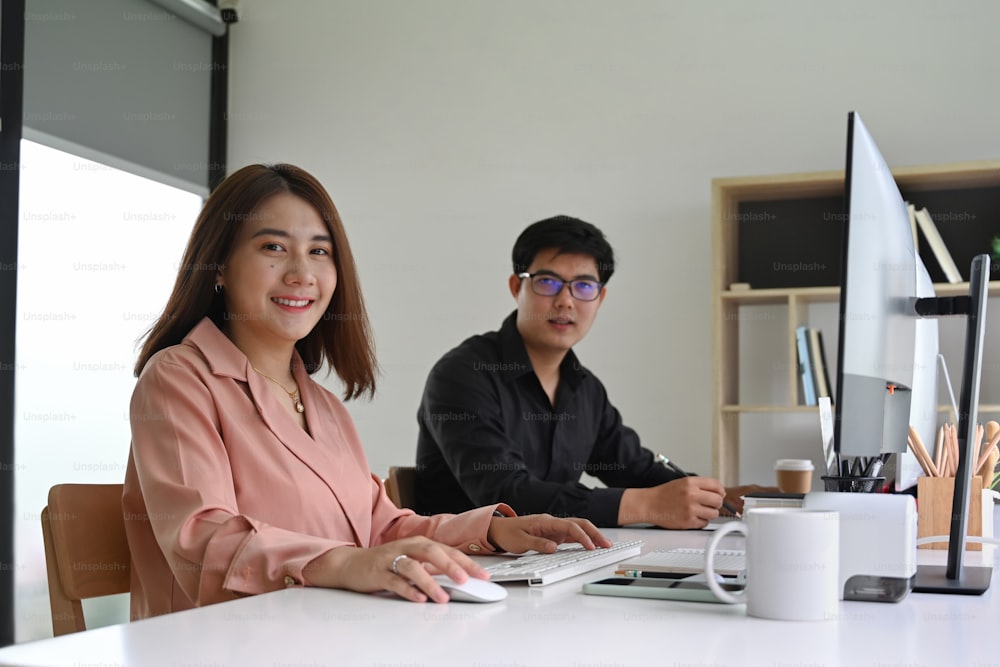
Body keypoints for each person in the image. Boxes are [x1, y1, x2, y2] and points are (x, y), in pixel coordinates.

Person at [123, 165, 610, 620]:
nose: (301, 273)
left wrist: (492, 531)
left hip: (334, 633)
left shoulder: (323, 405)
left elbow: (379, 529)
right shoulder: (179, 378)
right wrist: (342, 564)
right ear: (219, 266)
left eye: (319, 251)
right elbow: (201, 540)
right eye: (273, 248)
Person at [415, 215, 771, 529]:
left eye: (584, 286)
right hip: (463, 574)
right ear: (516, 287)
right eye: (548, 281)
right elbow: (506, 497)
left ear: (599, 299)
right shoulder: (463, 374)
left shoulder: (585, 390)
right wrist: (645, 506)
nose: (566, 300)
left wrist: (712, 496)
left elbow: (636, 469)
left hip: (551, 567)